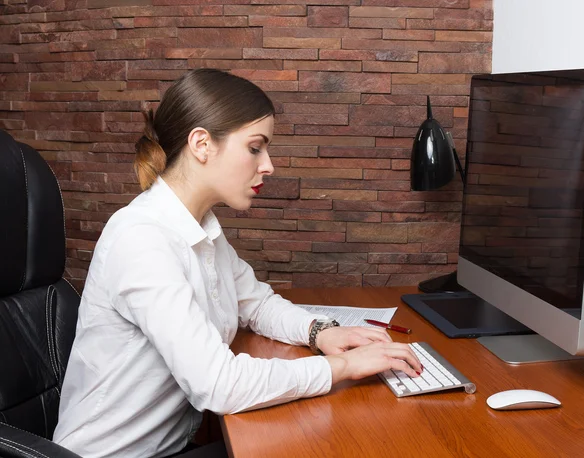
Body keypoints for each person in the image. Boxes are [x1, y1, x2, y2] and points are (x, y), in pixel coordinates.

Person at [53, 69, 423, 458]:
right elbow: (220, 385)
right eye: (254, 148)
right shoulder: (142, 239)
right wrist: (344, 367)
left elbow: (256, 303)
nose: (268, 166)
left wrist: (319, 333)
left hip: (172, 446)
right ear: (202, 144)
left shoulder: (200, 228)